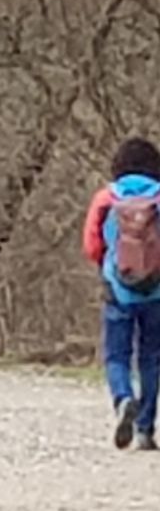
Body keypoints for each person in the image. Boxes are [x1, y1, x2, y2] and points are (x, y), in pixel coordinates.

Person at [84, 137, 160, 450]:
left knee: (117, 355)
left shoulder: (106, 199)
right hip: (156, 291)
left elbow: (91, 245)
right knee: (151, 357)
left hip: (117, 288)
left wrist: (109, 265)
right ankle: (144, 430)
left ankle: (123, 399)